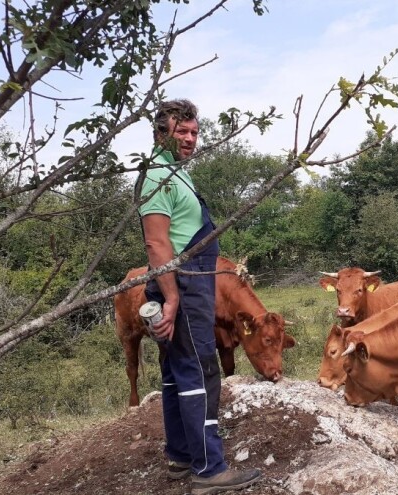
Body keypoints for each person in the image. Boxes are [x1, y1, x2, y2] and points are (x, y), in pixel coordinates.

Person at [138, 99, 261, 494]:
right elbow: (158, 245)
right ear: (161, 133)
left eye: (194, 132)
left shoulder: (174, 172)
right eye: (182, 132)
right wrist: (172, 299)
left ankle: (180, 456)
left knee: (175, 372)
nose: (190, 139)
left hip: (186, 284)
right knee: (200, 370)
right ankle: (209, 470)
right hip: (185, 285)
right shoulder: (158, 176)